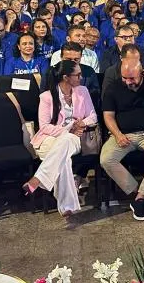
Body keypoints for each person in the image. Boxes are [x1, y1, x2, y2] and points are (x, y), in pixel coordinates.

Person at [100, 61, 144, 222]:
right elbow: (108, 116)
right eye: (125, 78)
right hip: (122, 134)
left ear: (141, 73)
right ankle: (139, 193)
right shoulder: (114, 88)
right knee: (106, 159)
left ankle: (140, 197)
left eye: (132, 78)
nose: (128, 82)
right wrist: (118, 134)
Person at [25, 60, 97, 218]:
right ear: (66, 77)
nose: (81, 77)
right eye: (77, 75)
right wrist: (68, 128)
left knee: (66, 142)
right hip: (49, 139)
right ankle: (66, 206)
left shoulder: (82, 91)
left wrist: (82, 122)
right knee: (64, 157)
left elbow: (93, 116)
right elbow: (44, 126)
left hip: (75, 139)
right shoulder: (46, 97)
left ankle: (39, 178)